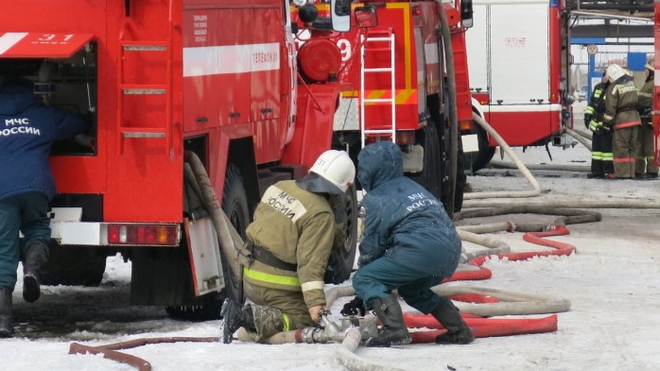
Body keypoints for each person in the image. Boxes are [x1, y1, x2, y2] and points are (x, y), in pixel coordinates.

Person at [340, 140, 474, 347]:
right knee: (413, 290)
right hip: (451, 250)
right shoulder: (414, 187)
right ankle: (459, 330)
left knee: (364, 278)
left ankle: (395, 330)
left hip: (419, 251)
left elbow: (371, 248)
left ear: (368, 171)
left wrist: (366, 292)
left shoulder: (376, 199)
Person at [221, 149, 355, 344]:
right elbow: (310, 266)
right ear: (342, 188)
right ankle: (247, 317)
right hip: (275, 285)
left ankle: (252, 317)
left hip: (249, 276)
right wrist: (316, 305)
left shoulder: (280, 186)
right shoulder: (321, 214)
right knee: (304, 319)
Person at [0, 75, 93, 338]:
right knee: (38, 227)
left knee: (3, 250)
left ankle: (3, 321)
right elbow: (77, 123)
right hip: (35, 186)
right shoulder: (41, 116)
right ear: (32, 95)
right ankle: (32, 270)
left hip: (2, 192)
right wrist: (88, 117)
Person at [602, 64, 641, 179]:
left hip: (622, 122)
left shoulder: (613, 88)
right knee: (632, 148)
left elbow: (611, 108)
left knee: (621, 148)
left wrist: (606, 123)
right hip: (635, 120)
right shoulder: (631, 85)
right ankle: (631, 172)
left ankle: (622, 173)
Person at [584, 72, 614, 179]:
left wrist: (607, 123)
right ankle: (596, 171)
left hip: (607, 125)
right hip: (596, 124)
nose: (605, 78)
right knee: (596, 150)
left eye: (607, 76)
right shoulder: (598, 87)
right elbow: (592, 103)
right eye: (604, 75)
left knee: (607, 151)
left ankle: (608, 170)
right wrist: (588, 115)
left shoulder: (613, 89)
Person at [634, 60, 658, 179]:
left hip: (649, 121)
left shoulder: (654, 84)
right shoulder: (647, 83)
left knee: (649, 146)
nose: (645, 72)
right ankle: (638, 169)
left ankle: (652, 170)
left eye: (647, 70)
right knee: (639, 146)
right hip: (642, 120)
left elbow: (657, 103)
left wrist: (651, 118)